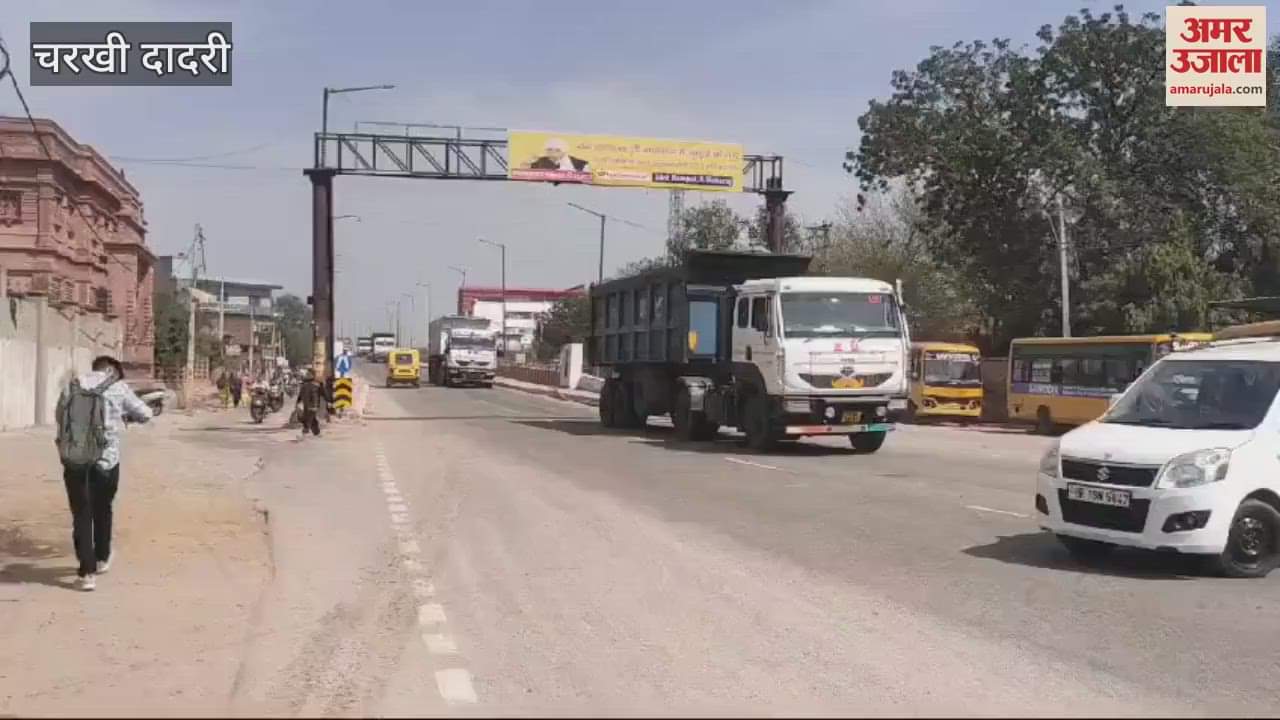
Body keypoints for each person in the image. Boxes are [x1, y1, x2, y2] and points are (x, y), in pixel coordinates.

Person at [55, 355, 152, 591]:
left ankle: (86, 573)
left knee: (81, 513)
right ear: (109, 369)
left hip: (75, 459)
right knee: (103, 508)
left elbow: (60, 418)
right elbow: (146, 414)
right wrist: (125, 417)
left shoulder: (72, 385)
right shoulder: (117, 387)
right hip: (106, 461)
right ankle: (101, 557)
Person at [295, 368, 329, 438]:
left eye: (308, 374)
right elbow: (301, 393)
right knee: (312, 420)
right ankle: (317, 433)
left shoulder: (318, 383)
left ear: (313, 375)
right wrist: (298, 402)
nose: (307, 375)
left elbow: (323, 393)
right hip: (306, 405)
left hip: (314, 405)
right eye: (307, 374)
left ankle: (304, 434)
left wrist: (328, 401)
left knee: (307, 419)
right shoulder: (304, 383)